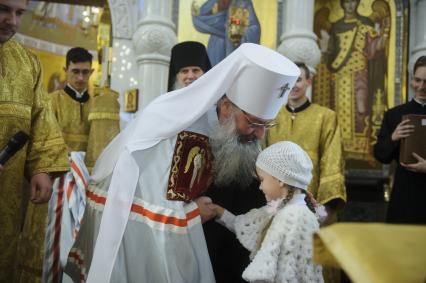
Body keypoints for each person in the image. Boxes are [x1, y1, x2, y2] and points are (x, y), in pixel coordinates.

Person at [64, 43, 300, 282]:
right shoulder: (172, 121)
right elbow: (142, 195)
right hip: (147, 247)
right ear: (227, 107)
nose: (260, 135)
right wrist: (191, 214)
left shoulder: (240, 132)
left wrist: (291, 194)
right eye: (254, 123)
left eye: (266, 126)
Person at [0, 0, 69, 281]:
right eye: (3, 9)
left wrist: (41, 167)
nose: (13, 21)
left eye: (19, 13)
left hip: (9, 193)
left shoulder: (27, 62)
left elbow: (41, 118)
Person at [208, 141, 325, 283]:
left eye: (262, 180)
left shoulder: (289, 216)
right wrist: (218, 211)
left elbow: (272, 273)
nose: (260, 187)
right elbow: (246, 224)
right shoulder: (287, 210)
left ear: (280, 180)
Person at [267, 62, 346, 225]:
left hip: (311, 201)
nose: (293, 86)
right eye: (288, 80)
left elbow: (332, 161)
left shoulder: (325, 117)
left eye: (298, 80)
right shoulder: (272, 117)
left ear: (308, 82)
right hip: (275, 202)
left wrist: (325, 206)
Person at [316, 0, 388, 161]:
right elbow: (332, 53)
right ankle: (339, 148)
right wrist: (325, 49)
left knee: (361, 109)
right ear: (342, 5)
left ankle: (361, 150)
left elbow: (372, 49)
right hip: (340, 76)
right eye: (347, 2)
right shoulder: (337, 27)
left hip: (359, 73)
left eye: (353, 2)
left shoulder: (365, 23)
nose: (350, 6)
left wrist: (381, 39)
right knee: (339, 110)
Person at [374, 55, 426, 224]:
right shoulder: (394, 114)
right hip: (405, 193)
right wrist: (394, 137)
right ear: (412, 80)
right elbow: (382, 156)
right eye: (418, 80)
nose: (421, 87)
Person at [192, 0, 260, 66]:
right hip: (216, 47)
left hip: (236, 46)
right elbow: (200, 21)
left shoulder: (243, 2)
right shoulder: (213, 2)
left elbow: (254, 27)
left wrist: (239, 30)